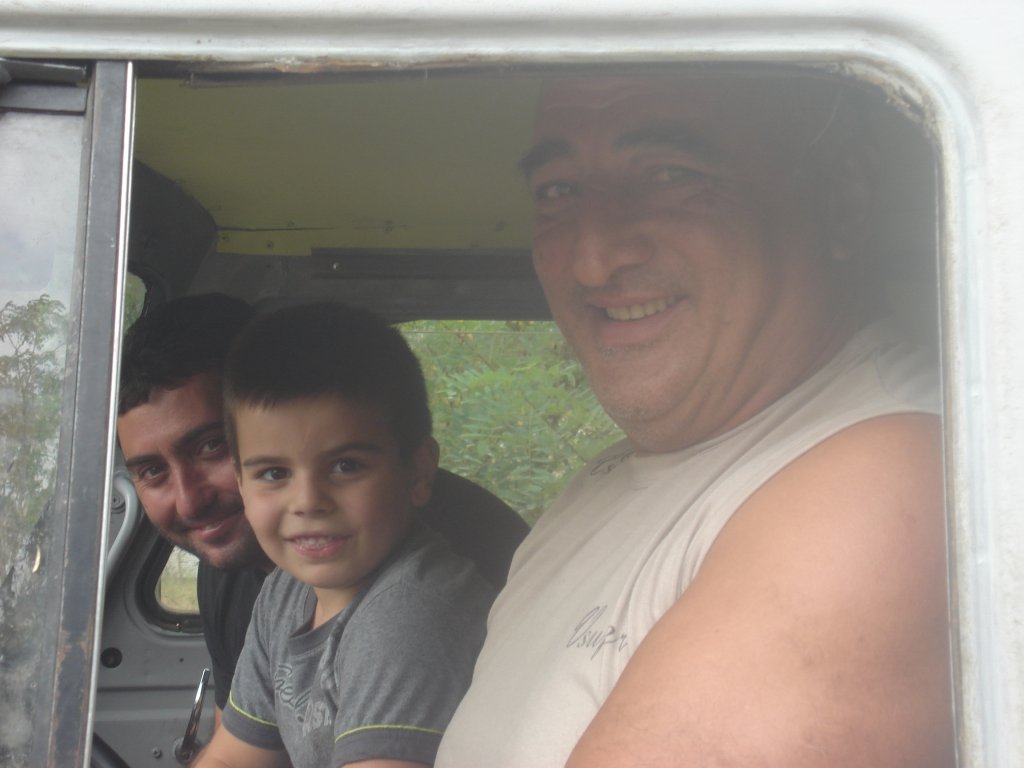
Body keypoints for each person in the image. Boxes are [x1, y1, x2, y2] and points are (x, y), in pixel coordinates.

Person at [435, 75, 954, 768]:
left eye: (670, 175)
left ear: (844, 200)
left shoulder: (883, 490)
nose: (592, 261)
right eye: (558, 190)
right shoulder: (616, 478)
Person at [116, 294, 527, 720]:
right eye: (152, 471)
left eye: (210, 446)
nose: (190, 501)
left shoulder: (433, 579)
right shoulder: (241, 575)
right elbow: (235, 740)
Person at [185, 301, 493, 768]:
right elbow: (231, 759)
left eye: (346, 466)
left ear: (418, 472)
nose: (308, 501)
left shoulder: (410, 614)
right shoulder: (285, 594)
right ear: (241, 483)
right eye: (273, 473)